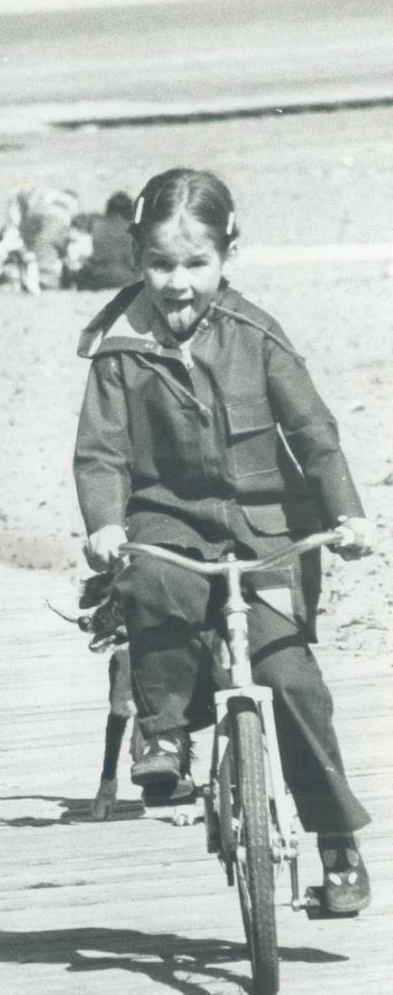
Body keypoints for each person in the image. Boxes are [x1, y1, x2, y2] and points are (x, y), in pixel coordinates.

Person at [72, 167, 376, 915]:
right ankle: (165, 737)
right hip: (169, 519)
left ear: (227, 253)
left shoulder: (257, 335)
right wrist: (106, 523)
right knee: (154, 586)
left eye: (195, 264)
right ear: (139, 258)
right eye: (160, 265)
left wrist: (347, 517)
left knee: (293, 679)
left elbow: (313, 432)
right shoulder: (121, 351)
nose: (177, 284)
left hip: (266, 527)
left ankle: (336, 842)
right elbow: (102, 452)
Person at [64, 190, 139, 290]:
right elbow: (133, 263)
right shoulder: (132, 231)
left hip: (97, 278)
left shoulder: (95, 226)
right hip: (125, 278)